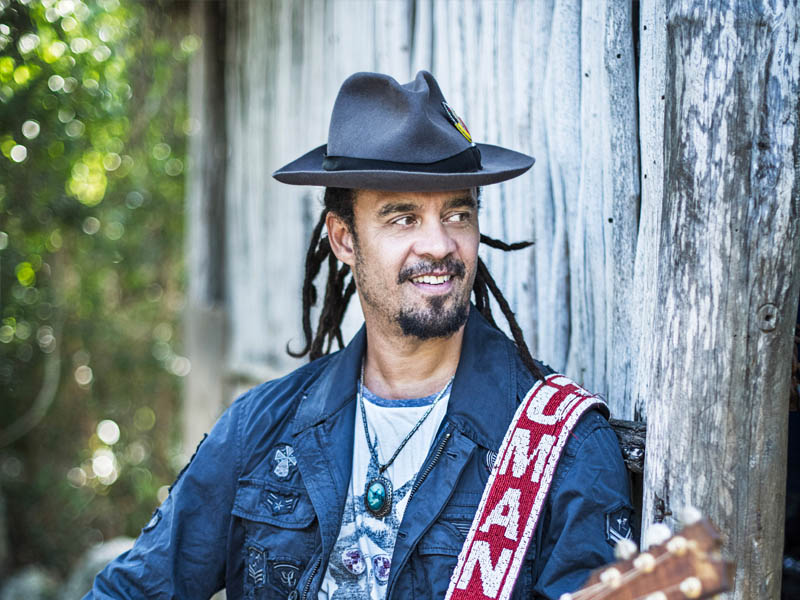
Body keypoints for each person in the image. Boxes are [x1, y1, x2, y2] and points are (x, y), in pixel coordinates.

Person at [86, 71, 631, 600]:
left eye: (458, 214)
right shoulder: (260, 431)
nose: (439, 244)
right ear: (344, 239)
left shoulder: (565, 447)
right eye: (403, 218)